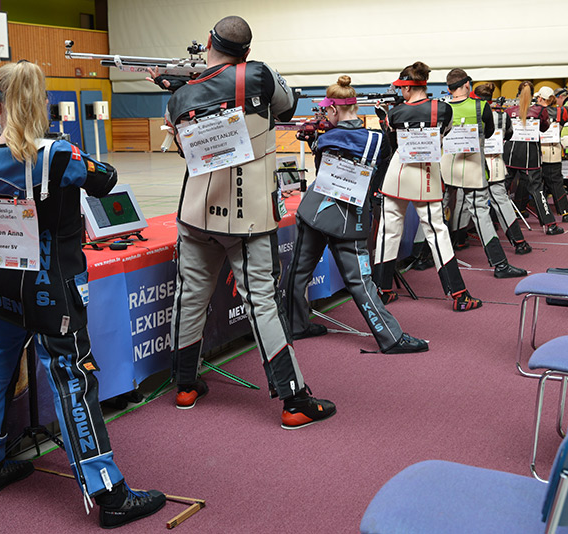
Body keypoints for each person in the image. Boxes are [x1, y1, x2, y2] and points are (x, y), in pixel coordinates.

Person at [0, 61, 165, 529]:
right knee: (74, 381)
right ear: (42, 104)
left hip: (1, 283)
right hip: (52, 291)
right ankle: (109, 492)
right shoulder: (60, 155)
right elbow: (105, 178)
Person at [164, 16, 336, 430]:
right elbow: (287, 104)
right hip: (248, 216)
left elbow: (178, 142)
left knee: (190, 297)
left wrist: (184, 87)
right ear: (247, 51)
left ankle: (185, 385)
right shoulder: (258, 75)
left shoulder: (180, 96)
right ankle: (294, 398)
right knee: (262, 302)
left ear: (208, 41)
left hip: (196, 213)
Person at [285, 75, 428, 354]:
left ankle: (295, 325)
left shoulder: (325, 139)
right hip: (349, 219)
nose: (325, 114)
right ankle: (391, 338)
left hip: (314, 211)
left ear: (335, 110)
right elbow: (379, 172)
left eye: (327, 110)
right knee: (361, 282)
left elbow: (321, 170)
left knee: (298, 272)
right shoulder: (377, 139)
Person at [372, 61, 482, 312]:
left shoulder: (394, 113)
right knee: (437, 233)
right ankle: (459, 295)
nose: (401, 92)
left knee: (388, 232)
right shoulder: (442, 109)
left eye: (402, 88)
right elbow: (445, 132)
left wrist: (384, 119)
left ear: (408, 88)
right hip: (426, 173)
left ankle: (382, 290)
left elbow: (392, 142)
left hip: (398, 174)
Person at [442, 69, 526, 278]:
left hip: (446, 167)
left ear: (449, 88)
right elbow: (489, 133)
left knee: (435, 213)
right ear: (467, 85)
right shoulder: (481, 107)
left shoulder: (442, 108)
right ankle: (500, 265)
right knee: (480, 213)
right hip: (473, 166)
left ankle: (421, 257)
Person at [471, 83, 533, 255]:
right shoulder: (502, 116)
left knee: (464, 202)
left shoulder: (469, 112)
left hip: (472, 164)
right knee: (501, 200)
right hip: (495, 162)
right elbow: (509, 134)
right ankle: (519, 242)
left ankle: (458, 241)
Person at [503, 81, 564, 235]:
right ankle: (550, 225)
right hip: (530, 156)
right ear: (533, 95)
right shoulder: (540, 111)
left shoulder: (509, 111)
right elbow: (545, 128)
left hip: (509, 153)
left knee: (501, 188)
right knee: (537, 190)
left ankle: (493, 222)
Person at [536, 86, 568, 222]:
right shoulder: (561, 112)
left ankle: (521, 210)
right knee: (556, 182)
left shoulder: (534, 111)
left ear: (541, 98)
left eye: (538, 97)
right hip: (554, 151)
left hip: (536, 152)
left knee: (532, 183)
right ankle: (566, 213)